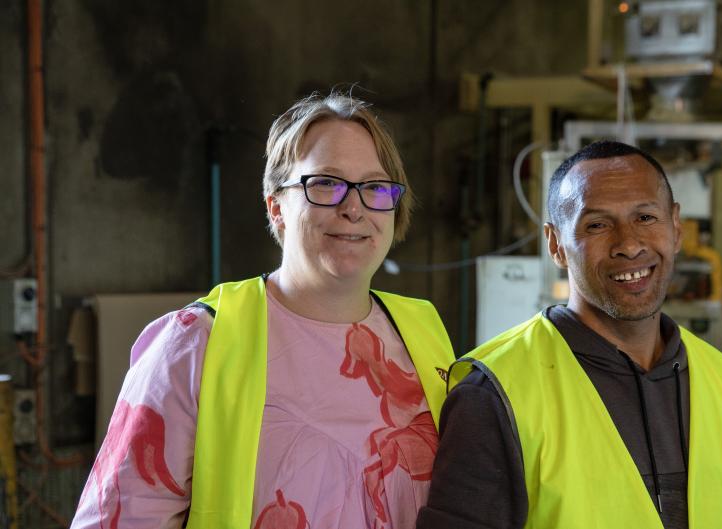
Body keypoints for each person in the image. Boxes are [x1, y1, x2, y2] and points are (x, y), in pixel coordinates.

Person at [72, 93, 455, 529]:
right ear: (277, 206)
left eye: (374, 187)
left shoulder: (422, 329)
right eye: (326, 183)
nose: (354, 208)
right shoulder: (196, 341)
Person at [418, 140, 722, 529]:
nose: (629, 245)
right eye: (597, 224)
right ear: (555, 244)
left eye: (646, 217)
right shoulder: (495, 394)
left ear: (676, 227)